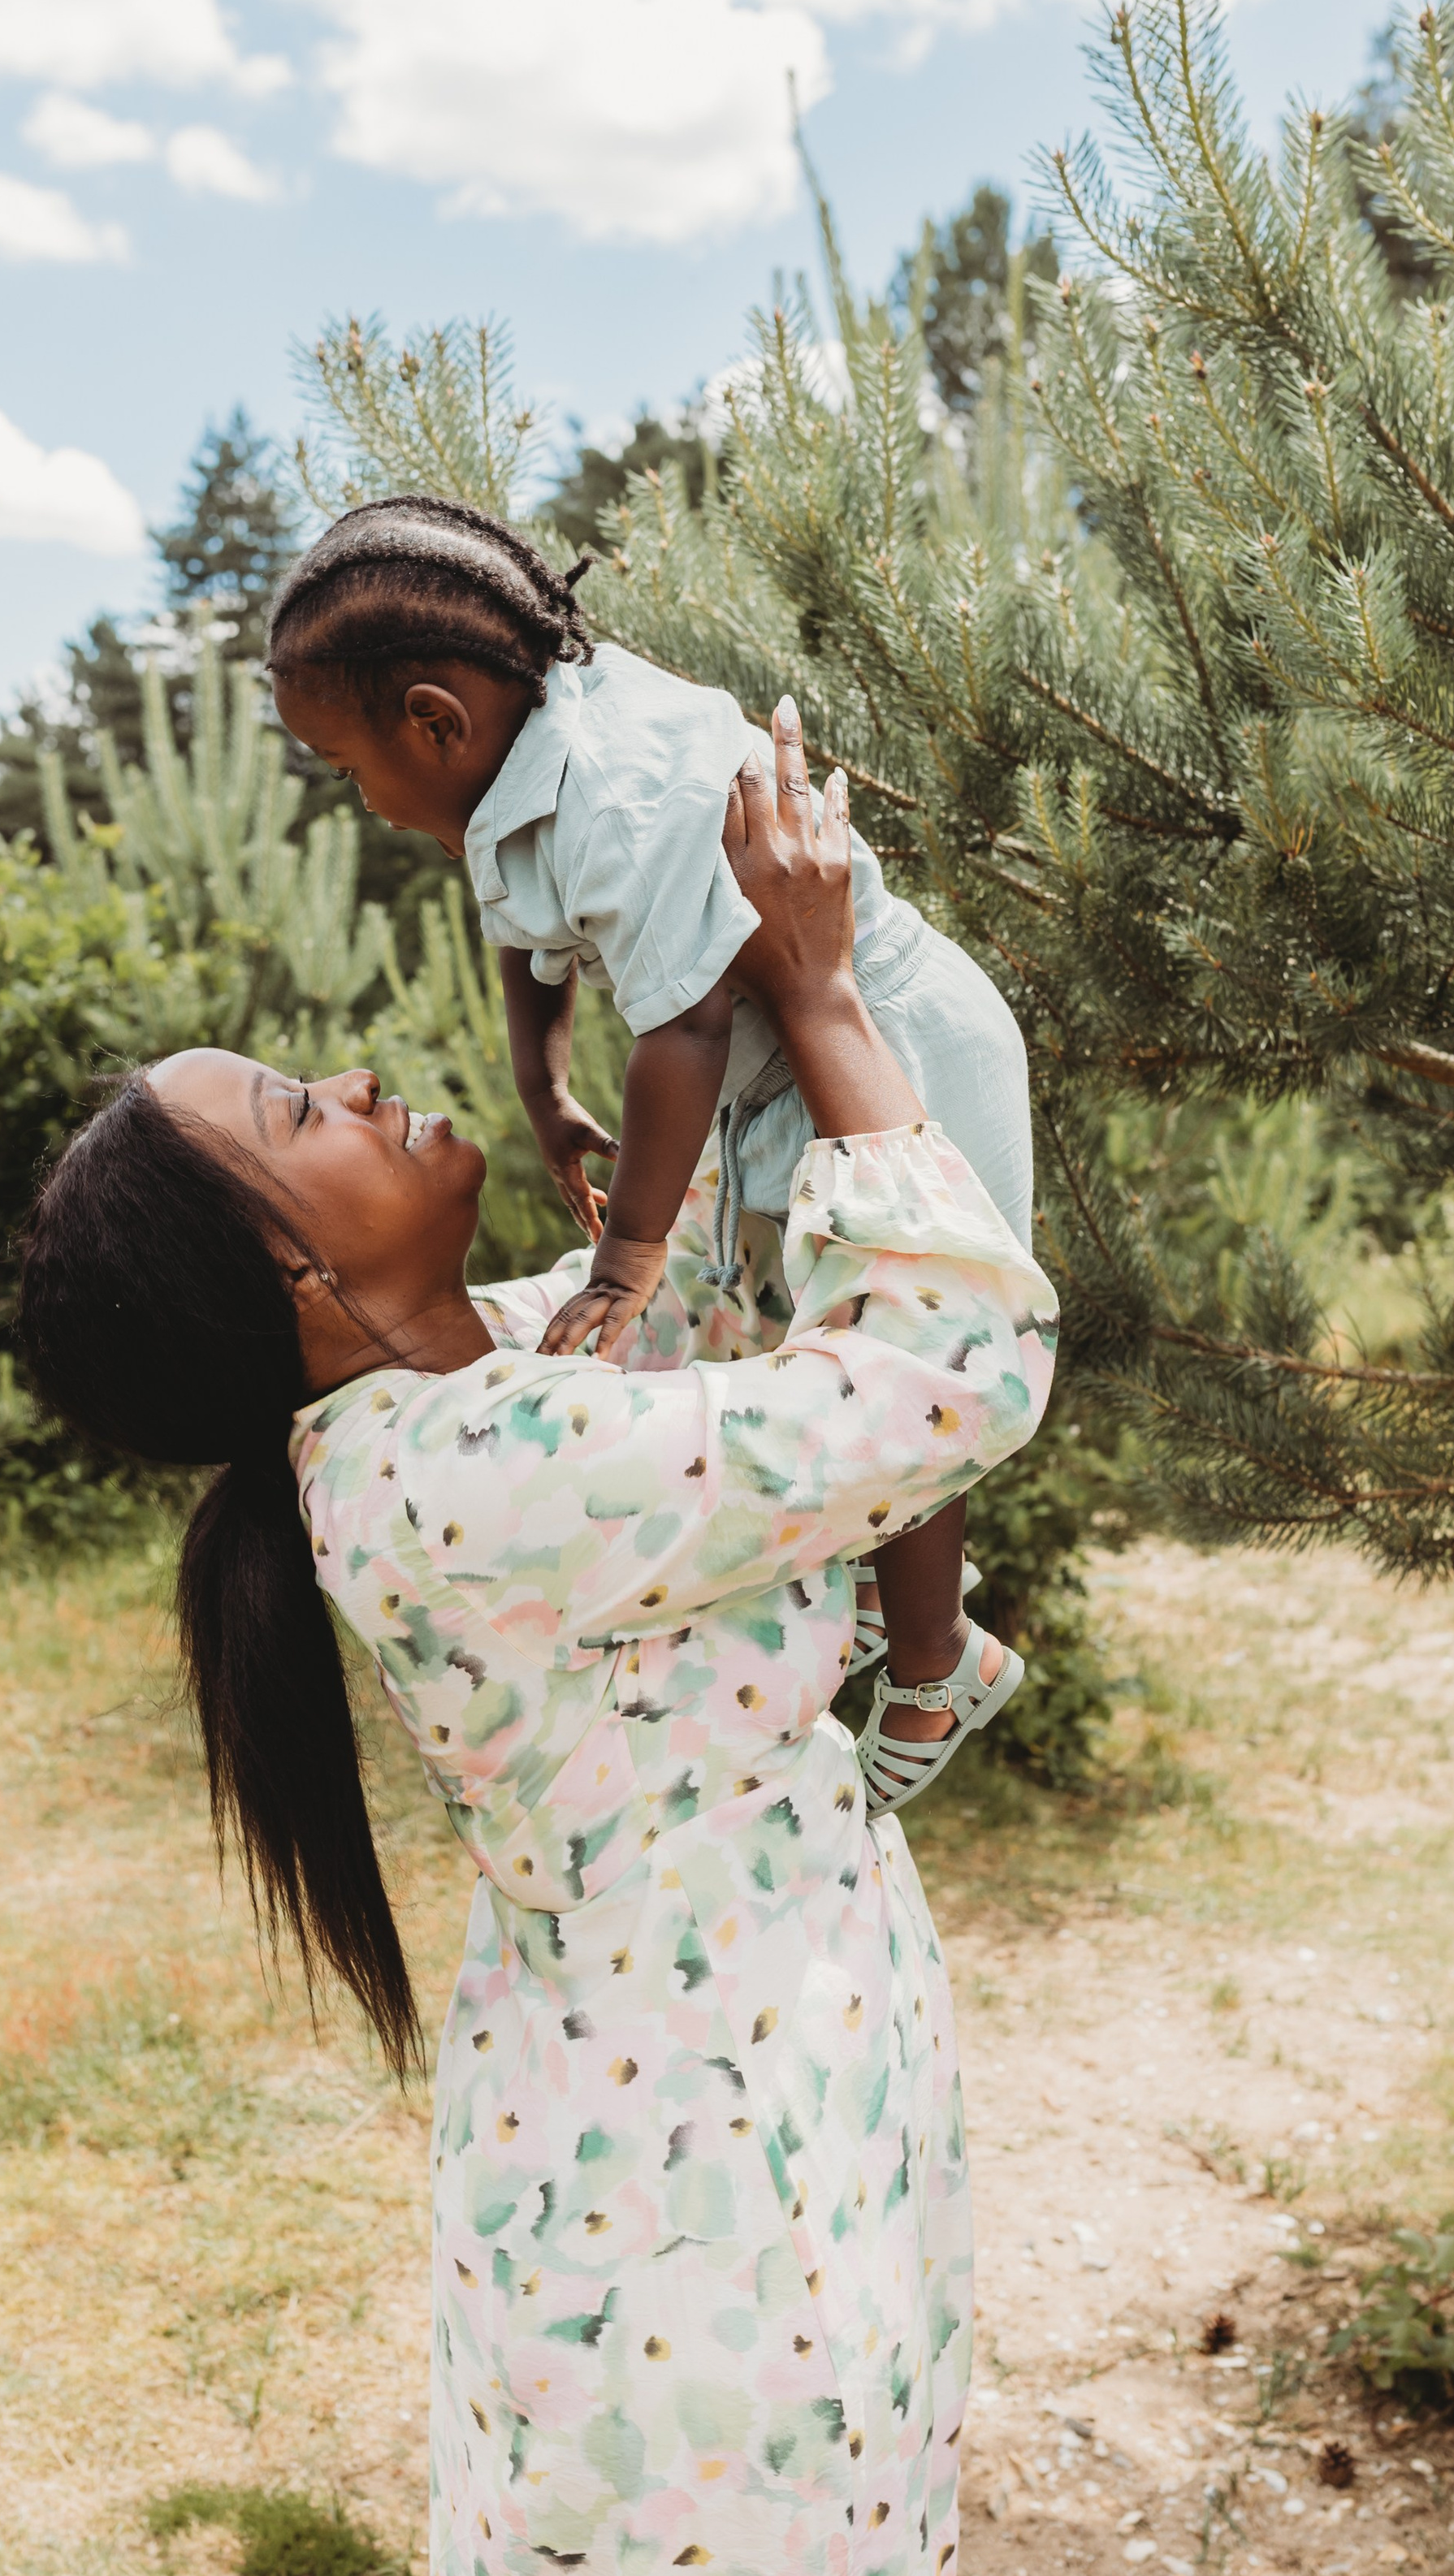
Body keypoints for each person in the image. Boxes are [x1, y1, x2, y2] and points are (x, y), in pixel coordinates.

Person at [17, 708, 1058, 2576]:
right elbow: (950, 1379)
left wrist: (662, 1087)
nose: (368, 1079)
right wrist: (833, 994)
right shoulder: (466, 1477)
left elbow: (686, 1332)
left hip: (694, 2137)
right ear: (301, 1278)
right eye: (308, 1110)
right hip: (710, 2206)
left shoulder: (486, 1374)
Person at [265, 496, 1035, 1806]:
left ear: (435, 723)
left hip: (882, 1041)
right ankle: (858, 1590)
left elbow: (687, 1024)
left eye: (349, 770)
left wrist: (626, 1256)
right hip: (768, 1073)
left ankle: (934, 1653)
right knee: (788, 1348)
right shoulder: (510, 776)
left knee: (886, 1360)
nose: (365, 801)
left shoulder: (616, 789)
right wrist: (543, 1083)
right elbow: (521, 931)